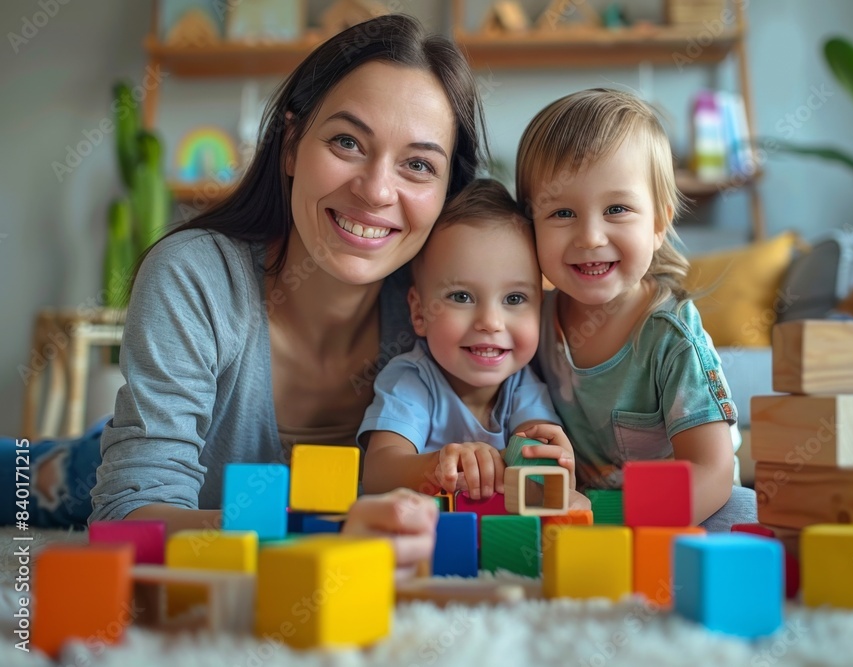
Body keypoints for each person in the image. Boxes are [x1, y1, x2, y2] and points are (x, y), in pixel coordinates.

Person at [4, 14, 489, 568]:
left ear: (449, 190)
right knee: (31, 478)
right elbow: (124, 518)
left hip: (169, 444)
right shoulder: (196, 277)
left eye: (419, 164)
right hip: (131, 456)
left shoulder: (452, 307)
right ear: (290, 146)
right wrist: (321, 537)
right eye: (348, 141)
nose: (377, 190)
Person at [515, 88, 757, 530]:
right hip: (585, 510)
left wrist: (629, 532)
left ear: (660, 223)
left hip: (683, 510)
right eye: (562, 213)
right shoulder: (534, 322)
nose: (590, 236)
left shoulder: (671, 336)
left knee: (744, 512)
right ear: (530, 226)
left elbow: (713, 471)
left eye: (617, 209)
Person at [359, 179, 587, 507]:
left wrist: (555, 468)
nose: (490, 322)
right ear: (419, 311)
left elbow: (539, 467)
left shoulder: (523, 386)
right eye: (461, 296)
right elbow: (379, 474)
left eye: (514, 297)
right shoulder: (412, 380)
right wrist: (440, 466)